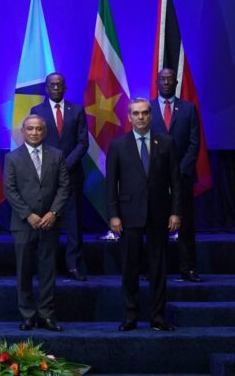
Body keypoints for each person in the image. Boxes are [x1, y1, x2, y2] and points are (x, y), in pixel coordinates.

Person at [107, 98, 182, 332]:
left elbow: (176, 183)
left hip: (160, 214)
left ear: (151, 116)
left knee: (158, 268)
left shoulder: (166, 142)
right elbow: (111, 185)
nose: (141, 117)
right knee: (130, 267)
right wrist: (113, 216)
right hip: (129, 215)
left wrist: (175, 212)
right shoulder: (118, 145)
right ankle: (131, 316)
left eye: (145, 113)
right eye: (136, 113)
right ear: (129, 117)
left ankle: (158, 318)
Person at [3, 115, 69, 332]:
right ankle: (28, 315)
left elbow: (63, 187)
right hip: (23, 224)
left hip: (50, 223)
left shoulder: (57, 155)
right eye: (30, 129)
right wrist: (28, 215)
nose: (34, 133)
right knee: (24, 271)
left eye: (38, 129)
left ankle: (47, 315)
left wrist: (53, 212)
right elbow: (10, 190)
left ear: (45, 131)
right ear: (23, 131)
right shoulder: (12, 157)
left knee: (48, 271)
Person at [30, 73, 89, 281]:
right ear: (46, 88)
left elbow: (83, 143)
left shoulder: (77, 110)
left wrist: (65, 165)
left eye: (59, 85)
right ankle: (49, 266)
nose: (56, 88)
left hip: (72, 175)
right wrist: (53, 166)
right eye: (52, 85)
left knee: (73, 222)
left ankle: (73, 265)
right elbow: (34, 141)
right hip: (45, 176)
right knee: (48, 223)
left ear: (65, 88)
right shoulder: (37, 111)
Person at [151, 67, 202, 283]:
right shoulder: (147, 109)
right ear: (157, 83)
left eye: (170, 79)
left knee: (186, 226)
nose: (166, 83)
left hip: (182, 178)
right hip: (155, 178)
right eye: (162, 79)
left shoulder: (188, 109)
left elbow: (194, 143)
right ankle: (155, 270)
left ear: (176, 82)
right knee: (155, 227)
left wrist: (179, 172)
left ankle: (188, 268)